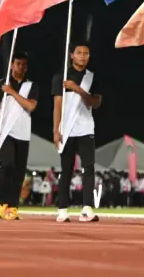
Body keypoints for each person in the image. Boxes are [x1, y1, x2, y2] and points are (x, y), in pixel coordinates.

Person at [53, 41, 102, 223]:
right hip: (66, 129)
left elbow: (95, 103)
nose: (82, 56)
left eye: (86, 53)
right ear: (72, 55)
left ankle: (87, 208)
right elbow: (57, 105)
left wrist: (78, 89)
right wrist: (56, 130)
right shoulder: (61, 77)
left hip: (86, 128)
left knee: (88, 168)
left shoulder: (92, 77)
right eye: (79, 52)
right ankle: (62, 209)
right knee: (66, 170)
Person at [0, 50, 39, 220]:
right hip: (5, 132)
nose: (21, 67)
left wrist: (12, 92)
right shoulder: (0, 84)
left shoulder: (31, 86)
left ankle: (13, 206)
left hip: (23, 133)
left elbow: (30, 106)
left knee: (19, 171)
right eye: (18, 63)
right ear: (11, 65)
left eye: (24, 64)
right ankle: (1, 203)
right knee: (7, 165)